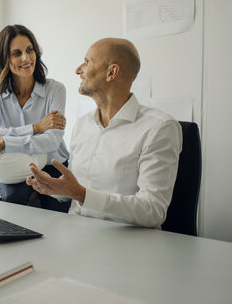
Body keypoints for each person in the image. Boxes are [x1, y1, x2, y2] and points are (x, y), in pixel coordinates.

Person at [27, 38, 182, 228]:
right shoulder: (82, 125)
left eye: (87, 62)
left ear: (111, 72)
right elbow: (75, 189)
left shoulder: (159, 128)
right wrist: (55, 188)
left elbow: (153, 210)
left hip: (126, 246)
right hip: (75, 236)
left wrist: (81, 194)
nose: (78, 70)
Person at [0, 25, 70, 212]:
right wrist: (36, 128)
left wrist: (4, 141)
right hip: (17, 166)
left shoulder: (55, 90)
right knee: (12, 204)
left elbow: (51, 142)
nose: (26, 58)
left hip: (53, 165)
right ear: (4, 59)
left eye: (29, 50)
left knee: (58, 218)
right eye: (16, 53)